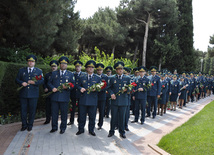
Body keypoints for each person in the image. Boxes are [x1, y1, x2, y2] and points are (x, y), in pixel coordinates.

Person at [15, 55, 44, 131]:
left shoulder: (38, 71)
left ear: (34, 63)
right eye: (29, 61)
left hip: (33, 94)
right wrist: (22, 83)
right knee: (23, 110)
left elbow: (42, 81)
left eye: (32, 61)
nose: (31, 63)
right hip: (23, 94)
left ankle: (30, 125)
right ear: (27, 62)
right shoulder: (22, 70)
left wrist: (34, 82)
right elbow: (17, 79)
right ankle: (24, 125)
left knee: (32, 110)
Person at [48, 56, 75, 134]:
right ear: (59, 64)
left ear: (67, 65)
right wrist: (52, 88)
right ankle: (54, 127)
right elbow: (49, 83)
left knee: (64, 114)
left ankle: (63, 128)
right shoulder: (54, 73)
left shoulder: (70, 74)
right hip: (55, 97)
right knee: (54, 113)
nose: (63, 65)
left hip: (64, 97)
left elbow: (73, 85)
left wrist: (68, 87)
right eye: (62, 63)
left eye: (65, 64)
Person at [76, 60, 101, 136]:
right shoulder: (81, 76)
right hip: (83, 99)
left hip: (93, 100)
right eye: (89, 67)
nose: (90, 68)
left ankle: (91, 130)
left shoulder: (97, 78)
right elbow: (77, 85)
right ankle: (81, 130)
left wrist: (96, 89)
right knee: (81, 116)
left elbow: (101, 88)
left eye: (92, 67)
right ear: (86, 68)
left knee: (92, 116)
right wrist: (80, 88)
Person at [108, 61, 131, 139]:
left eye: (121, 69)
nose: (120, 70)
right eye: (118, 69)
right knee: (113, 117)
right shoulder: (112, 78)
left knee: (122, 118)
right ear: (116, 70)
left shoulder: (127, 78)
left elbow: (130, 89)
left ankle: (122, 132)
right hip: (114, 101)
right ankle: (111, 131)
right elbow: (109, 88)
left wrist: (127, 90)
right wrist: (111, 93)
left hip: (124, 101)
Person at [67, 60, 84, 125]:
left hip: (80, 94)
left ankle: (79, 120)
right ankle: (71, 121)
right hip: (73, 93)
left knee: (80, 108)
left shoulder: (84, 74)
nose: (77, 68)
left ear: (81, 67)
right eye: (76, 66)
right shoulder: (72, 74)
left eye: (79, 66)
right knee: (72, 108)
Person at [43, 60, 58, 124]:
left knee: (55, 108)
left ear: (57, 67)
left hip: (56, 94)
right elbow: (44, 83)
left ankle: (54, 120)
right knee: (48, 107)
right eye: (52, 66)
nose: (53, 67)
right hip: (48, 94)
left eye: (55, 66)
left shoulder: (59, 74)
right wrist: (45, 87)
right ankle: (48, 119)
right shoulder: (47, 75)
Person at [96, 63, 108, 130]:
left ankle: (100, 124)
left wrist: (100, 89)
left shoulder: (105, 77)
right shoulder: (94, 76)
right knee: (93, 111)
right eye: (98, 70)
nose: (99, 71)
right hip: (95, 96)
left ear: (102, 70)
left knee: (101, 111)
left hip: (102, 96)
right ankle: (93, 123)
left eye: (100, 70)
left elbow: (107, 86)